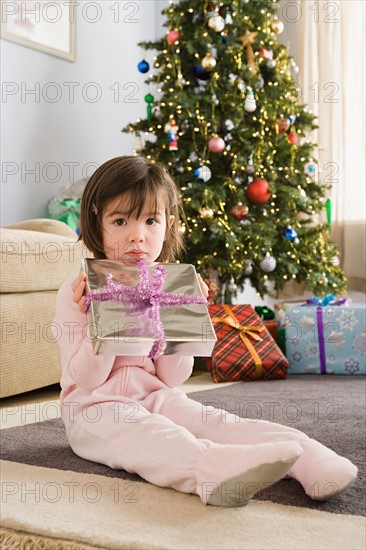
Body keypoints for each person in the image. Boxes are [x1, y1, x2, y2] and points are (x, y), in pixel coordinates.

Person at [54, 156, 357, 507]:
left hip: (155, 395)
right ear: (97, 223)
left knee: (214, 421)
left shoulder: (168, 284)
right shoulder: (74, 291)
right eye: (120, 221)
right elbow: (89, 381)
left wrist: (188, 313)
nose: (137, 236)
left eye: (150, 221)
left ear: (167, 225)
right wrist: (100, 316)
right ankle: (211, 470)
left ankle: (307, 456)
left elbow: (171, 379)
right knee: (149, 435)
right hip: (93, 409)